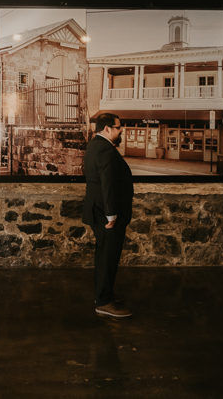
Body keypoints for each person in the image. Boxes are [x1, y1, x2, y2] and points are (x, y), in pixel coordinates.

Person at [83, 113, 135, 318]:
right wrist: (111, 215)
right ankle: (104, 302)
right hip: (106, 214)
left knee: (105, 255)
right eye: (118, 127)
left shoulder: (95, 145)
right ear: (107, 129)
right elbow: (108, 184)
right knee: (107, 257)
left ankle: (104, 296)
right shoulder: (104, 149)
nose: (120, 130)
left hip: (99, 210)